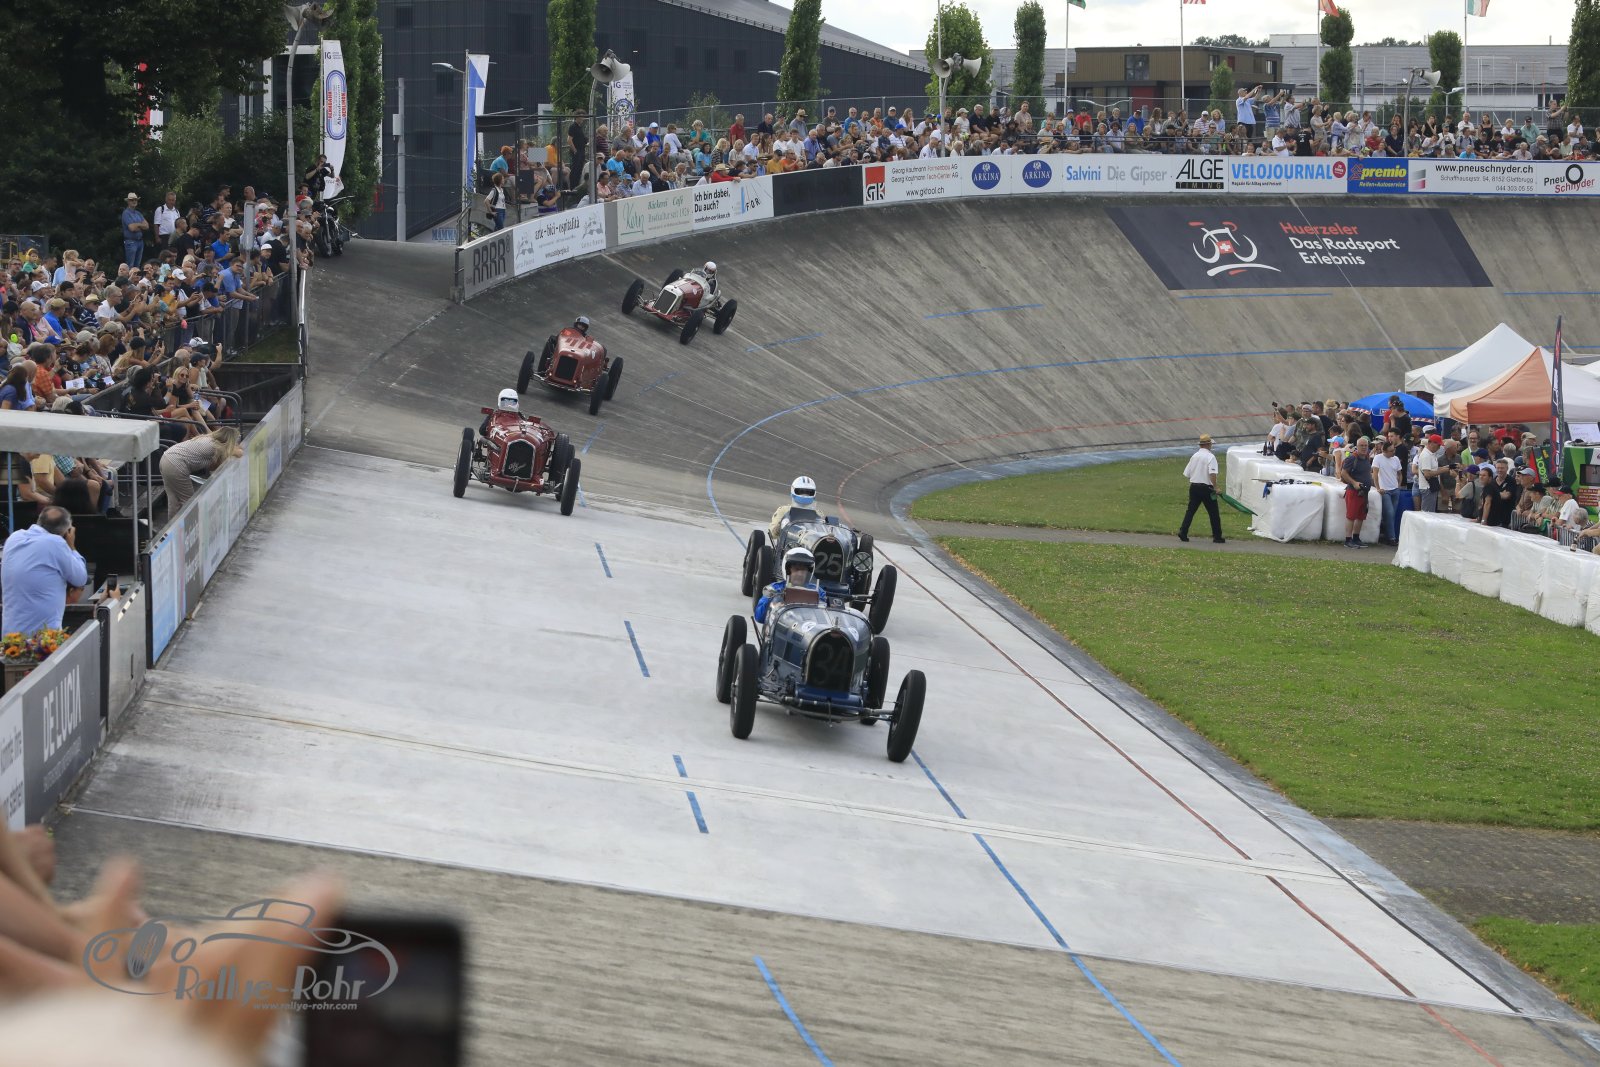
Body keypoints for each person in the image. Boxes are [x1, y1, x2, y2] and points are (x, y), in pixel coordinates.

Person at [0, 506, 88, 637]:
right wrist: (71, 547)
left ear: (39, 521)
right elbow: (80, 578)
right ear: (66, 532)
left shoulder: (14, 538)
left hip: (11, 636)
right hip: (43, 638)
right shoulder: (56, 543)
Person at [157, 427, 241, 511]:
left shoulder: (208, 439)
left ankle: (172, 519)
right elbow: (239, 453)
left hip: (166, 457)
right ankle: (190, 519)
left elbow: (212, 466)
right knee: (188, 502)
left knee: (173, 500)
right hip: (176, 463)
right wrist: (236, 449)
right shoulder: (215, 446)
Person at [754, 547, 821, 626]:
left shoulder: (818, 592)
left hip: (807, 628)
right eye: (796, 569)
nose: (800, 574)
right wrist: (772, 602)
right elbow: (759, 617)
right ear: (788, 570)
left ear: (808, 573)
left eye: (803, 570)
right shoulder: (775, 588)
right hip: (780, 627)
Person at [1177, 434, 1224, 544]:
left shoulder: (1194, 456)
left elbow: (1187, 473)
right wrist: (1216, 487)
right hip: (1207, 488)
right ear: (1208, 444)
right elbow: (1212, 474)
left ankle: (1183, 531)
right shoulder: (1210, 457)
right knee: (1213, 513)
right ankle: (1217, 536)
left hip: (1194, 487)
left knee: (1190, 511)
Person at [1339, 437, 1374, 548]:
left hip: (1364, 492)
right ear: (1357, 446)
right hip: (1354, 491)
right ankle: (1348, 540)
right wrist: (1354, 483)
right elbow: (1343, 473)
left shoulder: (1366, 458)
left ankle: (1356, 538)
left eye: (1365, 445)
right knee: (1351, 516)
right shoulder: (1351, 458)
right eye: (1361, 445)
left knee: (1361, 516)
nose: (1364, 447)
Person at [1371, 439, 1403, 546]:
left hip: (1395, 489)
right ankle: (1391, 538)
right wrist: (1378, 488)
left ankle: (1385, 534)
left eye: (1394, 450)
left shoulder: (1396, 459)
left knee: (1391, 514)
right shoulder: (1378, 458)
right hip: (1385, 490)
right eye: (1391, 451)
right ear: (1384, 451)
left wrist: (1398, 486)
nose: (1393, 453)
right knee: (1389, 513)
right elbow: (1375, 474)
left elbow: (1399, 473)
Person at [769, 476, 820, 542]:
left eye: (809, 492)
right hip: (788, 544)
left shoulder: (818, 513)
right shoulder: (783, 510)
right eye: (801, 491)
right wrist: (781, 526)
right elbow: (772, 534)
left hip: (810, 544)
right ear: (793, 490)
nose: (805, 494)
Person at [1414, 433, 1443, 512]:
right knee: (1427, 513)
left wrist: (1447, 467)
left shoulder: (1431, 454)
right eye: (1438, 445)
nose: (1439, 447)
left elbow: (1433, 469)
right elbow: (1427, 474)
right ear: (1431, 443)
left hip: (1430, 487)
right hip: (1428, 488)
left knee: (1430, 512)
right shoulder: (1426, 455)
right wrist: (1443, 470)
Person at [120, 193, 149, 268]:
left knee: (137, 266)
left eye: (135, 200)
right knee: (130, 265)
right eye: (132, 200)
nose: (134, 201)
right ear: (128, 201)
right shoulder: (126, 213)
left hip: (140, 241)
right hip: (131, 242)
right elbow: (132, 228)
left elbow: (147, 226)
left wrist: (137, 225)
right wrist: (140, 225)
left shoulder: (138, 213)